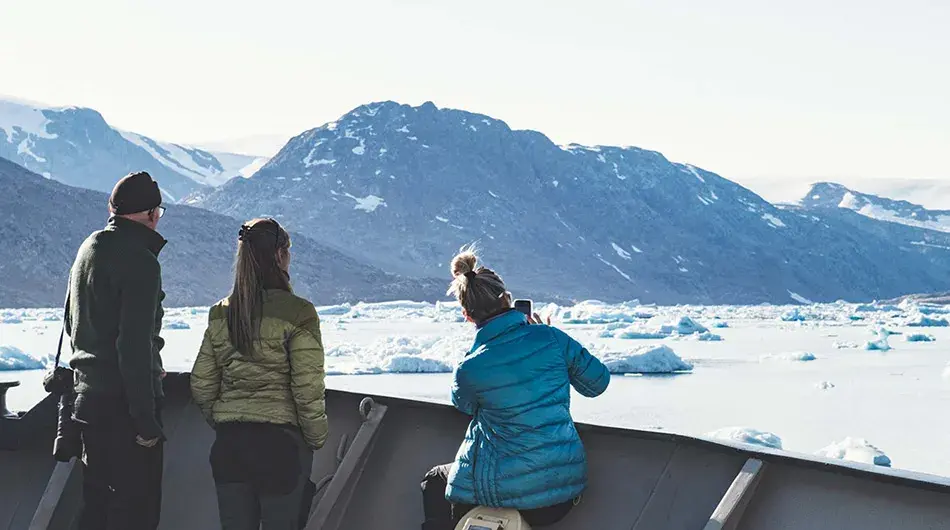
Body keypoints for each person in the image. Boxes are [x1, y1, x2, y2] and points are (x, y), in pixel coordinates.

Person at [420, 249, 611, 530]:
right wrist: (547, 339)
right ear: (507, 298)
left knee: (434, 480)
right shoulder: (552, 339)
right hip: (558, 494)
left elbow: (464, 405)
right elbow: (598, 383)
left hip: (499, 491)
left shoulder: (470, 367)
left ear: (467, 316)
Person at [190, 217, 329, 530]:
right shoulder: (299, 312)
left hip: (230, 447)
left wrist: (226, 420)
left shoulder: (221, 313)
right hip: (280, 448)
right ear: (280, 256)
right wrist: (315, 438)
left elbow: (201, 384)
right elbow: (307, 388)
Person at [65, 171, 168, 530]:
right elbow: (133, 345)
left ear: (113, 209)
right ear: (153, 214)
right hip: (125, 410)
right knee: (134, 514)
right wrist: (146, 421)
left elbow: (71, 323)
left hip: (88, 403)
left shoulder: (88, 248)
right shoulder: (141, 261)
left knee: (97, 509)